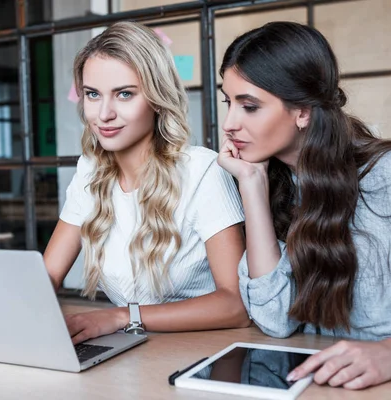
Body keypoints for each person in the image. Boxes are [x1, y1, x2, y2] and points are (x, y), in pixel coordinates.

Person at [217, 21, 391, 390]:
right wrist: (252, 185)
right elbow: (275, 321)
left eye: (249, 106)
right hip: (320, 384)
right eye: (228, 102)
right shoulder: (270, 179)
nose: (229, 123)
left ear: (303, 111)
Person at [43, 21, 249, 345]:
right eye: (92, 94)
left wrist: (123, 316)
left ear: (156, 97)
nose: (104, 114)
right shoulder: (90, 171)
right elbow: (48, 276)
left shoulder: (202, 170)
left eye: (124, 94)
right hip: (129, 351)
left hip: (201, 353)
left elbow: (236, 305)